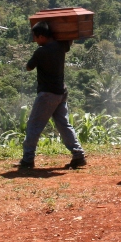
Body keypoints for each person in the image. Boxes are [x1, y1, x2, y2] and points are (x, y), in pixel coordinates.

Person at [18, 21, 86, 170]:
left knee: (33, 126)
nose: (35, 40)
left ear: (42, 36)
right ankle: (78, 155)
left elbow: (29, 67)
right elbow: (69, 39)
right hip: (61, 92)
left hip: (47, 94)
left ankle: (27, 159)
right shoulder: (60, 46)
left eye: (35, 37)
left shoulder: (41, 52)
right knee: (63, 125)